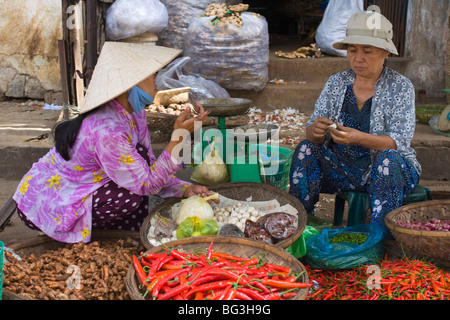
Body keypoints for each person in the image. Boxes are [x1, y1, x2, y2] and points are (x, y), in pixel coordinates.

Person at [13, 41, 215, 243]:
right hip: (48, 203)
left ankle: (115, 233)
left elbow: (151, 170)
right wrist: (178, 137)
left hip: (85, 186)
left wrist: (183, 188)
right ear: (131, 83)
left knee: (138, 174)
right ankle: (83, 235)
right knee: (130, 196)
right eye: (151, 74)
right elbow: (147, 184)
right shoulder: (107, 131)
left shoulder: (134, 114)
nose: (156, 81)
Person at [288, 6, 421, 238]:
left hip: (388, 171)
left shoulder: (400, 87)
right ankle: (299, 227)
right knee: (305, 149)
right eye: (352, 50)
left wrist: (359, 138)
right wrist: (317, 131)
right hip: (343, 170)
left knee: (387, 159)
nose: (358, 59)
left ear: (385, 52)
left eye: (367, 51)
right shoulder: (337, 83)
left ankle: (379, 239)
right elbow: (311, 133)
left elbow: (398, 142)